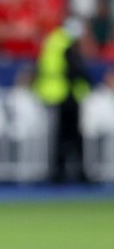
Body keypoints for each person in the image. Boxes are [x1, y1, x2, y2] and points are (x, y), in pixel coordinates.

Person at [34, 17, 92, 183]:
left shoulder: (53, 41)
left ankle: (59, 171)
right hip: (66, 94)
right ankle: (73, 171)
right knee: (70, 136)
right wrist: (87, 81)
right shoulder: (65, 45)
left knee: (60, 135)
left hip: (56, 93)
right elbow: (75, 70)